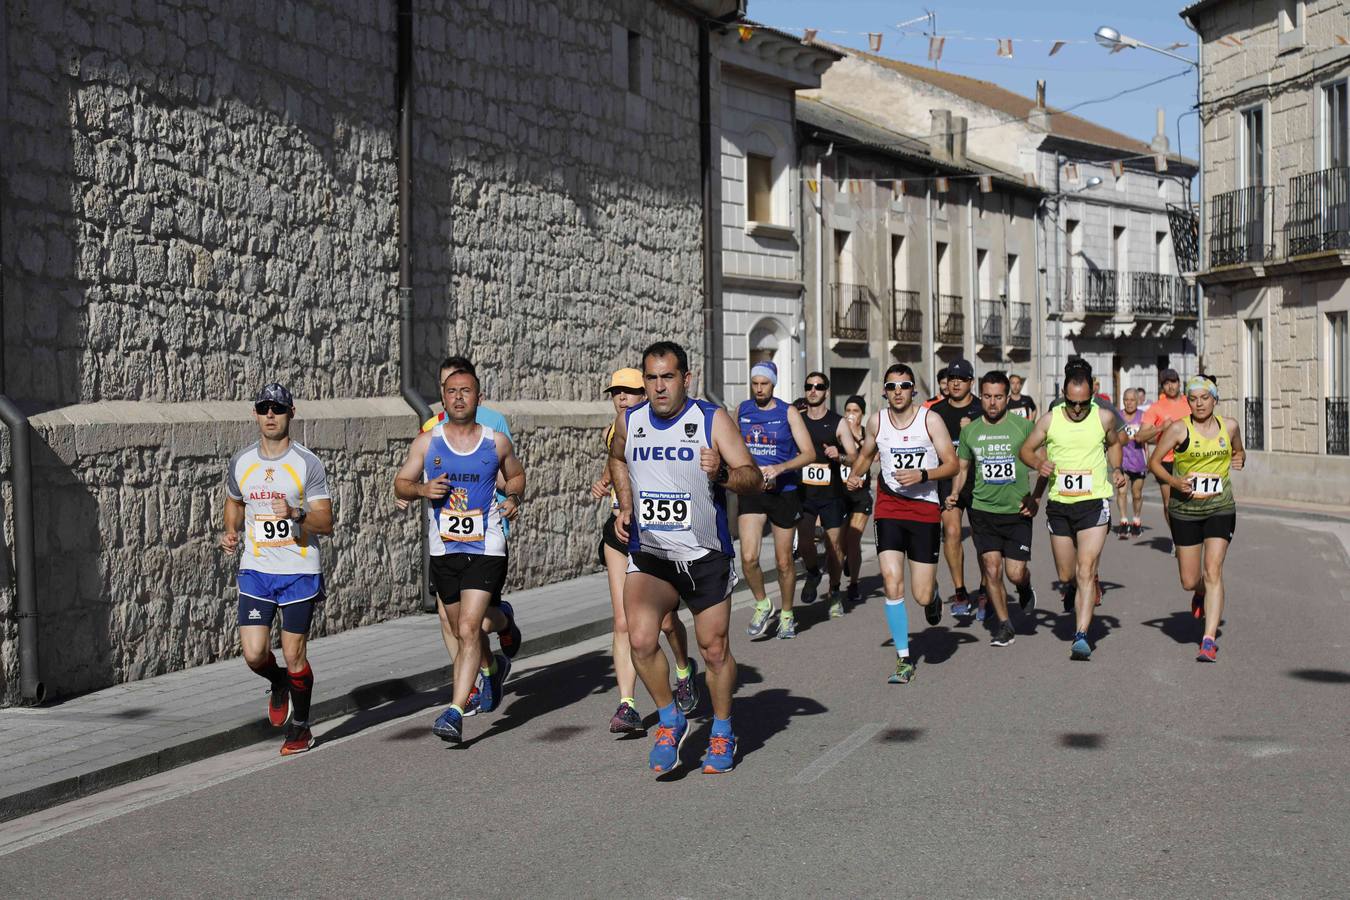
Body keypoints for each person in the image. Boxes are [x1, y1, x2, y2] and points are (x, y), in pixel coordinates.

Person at [609, 340, 762, 774]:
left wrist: (724, 473)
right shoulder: (630, 420)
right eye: (652, 379)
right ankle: (671, 719)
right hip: (652, 553)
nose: (659, 388)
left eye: (668, 378)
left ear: (686, 379)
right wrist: (625, 503)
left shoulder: (711, 419)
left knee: (714, 653)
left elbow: (752, 478)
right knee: (640, 639)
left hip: (704, 554)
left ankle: (722, 729)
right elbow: (617, 458)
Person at [393, 367, 526, 742]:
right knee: (457, 626)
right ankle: (504, 627)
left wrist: (513, 498)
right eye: (452, 391)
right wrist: (421, 490)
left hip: (487, 546)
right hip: (445, 547)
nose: (458, 398)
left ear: (478, 398)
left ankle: (454, 711)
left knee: (468, 628)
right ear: (443, 397)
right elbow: (400, 484)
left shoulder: (495, 441)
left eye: (465, 391)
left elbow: (515, 475)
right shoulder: (427, 442)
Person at [221, 383, 334, 756]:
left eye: (278, 408)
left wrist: (297, 514)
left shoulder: (307, 463)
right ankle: (281, 682)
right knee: (254, 654)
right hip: (256, 569)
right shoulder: (241, 462)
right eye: (264, 408)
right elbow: (234, 502)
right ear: (254, 413)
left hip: (299, 571)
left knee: (294, 652)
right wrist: (232, 530)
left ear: (291, 414)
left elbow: (326, 521)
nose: (271, 414)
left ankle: (301, 728)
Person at [590, 367, 698, 732]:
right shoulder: (614, 431)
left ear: (648, 393)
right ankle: (627, 704)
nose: (622, 398)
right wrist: (607, 483)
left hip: (660, 537)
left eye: (630, 391)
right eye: (615, 392)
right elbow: (617, 460)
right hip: (621, 534)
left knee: (667, 621)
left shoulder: (665, 428)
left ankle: (683, 670)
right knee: (622, 620)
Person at [846, 364, 957, 684]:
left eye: (904, 386)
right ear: (884, 391)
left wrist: (923, 475)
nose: (898, 392)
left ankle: (933, 594)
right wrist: (856, 475)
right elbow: (867, 453)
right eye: (892, 387)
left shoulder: (930, 420)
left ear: (913, 391)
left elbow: (950, 464)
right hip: (889, 506)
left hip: (924, 508)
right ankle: (904, 658)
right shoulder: (877, 421)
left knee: (920, 595)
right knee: (892, 580)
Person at [1019, 370, 1127, 660]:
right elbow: (1026, 450)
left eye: (1083, 402)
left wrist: (1116, 470)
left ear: (1090, 395)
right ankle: (1072, 589)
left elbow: (1115, 443)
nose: (1077, 409)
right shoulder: (1050, 419)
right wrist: (1038, 464)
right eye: (1072, 403)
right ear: (1063, 396)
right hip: (1060, 506)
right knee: (1067, 574)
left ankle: (1081, 634)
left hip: (1093, 503)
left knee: (1085, 569)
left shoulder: (1103, 418)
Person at [1148, 376, 1245, 662]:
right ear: (1188, 402)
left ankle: (1208, 639)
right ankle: (1199, 592)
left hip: (1220, 507)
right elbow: (1154, 461)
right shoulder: (1179, 429)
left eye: (1205, 397)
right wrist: (1175, 482)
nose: (1200, 403)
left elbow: (1239, 450)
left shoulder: (1229, 426)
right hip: (1185, 511)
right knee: (1190, 580)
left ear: (1215, 399)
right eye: (1194, 399)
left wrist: (1240, 457)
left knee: (1213, 570)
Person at [948, 371, 1038, 647]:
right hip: (983, 510)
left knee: (1014, 573)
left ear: (1007, 397)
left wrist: (1035, 498)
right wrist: (954, 492)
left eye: (999, 397)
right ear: (981, 396)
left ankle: (1024, 587)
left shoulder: (1023, 428)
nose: (993, 402)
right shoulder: (970, 430)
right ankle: (1004, 624)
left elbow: (1043, 462)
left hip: (1017, 511)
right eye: (987, 396)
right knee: (991, 568)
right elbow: (962, 468)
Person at [736, 361, 816, 640]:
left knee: (784, 562)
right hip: (753, 492)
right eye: (755, 383)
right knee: (747, 557)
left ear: (773, 384)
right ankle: (762, 604)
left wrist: (780, 469)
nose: (759, 389)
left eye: (764, 384)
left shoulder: (788, 412)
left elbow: (809, 453)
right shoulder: (743, 410)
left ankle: (786, 613)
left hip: (784, 492)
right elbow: (734, 447)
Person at [796, 372, 860, 618]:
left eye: (819, 386)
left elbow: (854, 456)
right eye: (809, 386)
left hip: (832, 495)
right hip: (804, 494)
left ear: (827, 391)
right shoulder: (798, 420)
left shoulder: (838, 422)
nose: (813, 390)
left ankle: (834, 591)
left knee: (834, 547)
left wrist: (839, 454)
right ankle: (813, 572)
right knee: (803, 543)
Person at [930, 359, 982, 618]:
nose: (955, 383)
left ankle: (985, 589)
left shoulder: (982, 409)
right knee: (951, 532)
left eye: (961, 379)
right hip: (947, 482)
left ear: (971, 382)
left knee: (983, 538)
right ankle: (960, 591)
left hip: (980, 482)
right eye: (952, 378)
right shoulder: (935, 412)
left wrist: (971, 431)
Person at [1134, 368, 1190, 538]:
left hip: (1188, 458)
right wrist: (1160, 428)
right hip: (1165, 460)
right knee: (1169, 504)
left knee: (1190, 501)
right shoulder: (1156, 408)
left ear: (1179, 383)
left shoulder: (1191, 402)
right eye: (1166, 383)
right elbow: (1139, 436)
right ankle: (1177, 537)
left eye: (1173, 382)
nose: (1171, 386)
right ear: (1162, 387)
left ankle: (1190, 535)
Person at [840, 395, 873, 605]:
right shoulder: (839, 433)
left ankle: (853, 583)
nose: (851, 415)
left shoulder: (866, 434)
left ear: (862, 414)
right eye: (848, 410)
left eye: (855, 411)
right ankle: (847, 560)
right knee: (840, 542)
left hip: (861, 494)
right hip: (840, 493)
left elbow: (873, 456)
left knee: (853, 540)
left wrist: (856, 437)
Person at [1116, 388, 1148, 538]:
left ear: (1138, 401)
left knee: (1136, 495)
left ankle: (1136, 520)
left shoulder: (1143, 417)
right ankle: (1123, 521)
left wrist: (1149, 460)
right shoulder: (1118, 416)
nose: (1129, 403)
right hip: (1122, 461)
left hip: (1139, 462)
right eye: (1126, 400)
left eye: (1132, 400)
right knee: (1121, 492)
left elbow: (1148, 440)